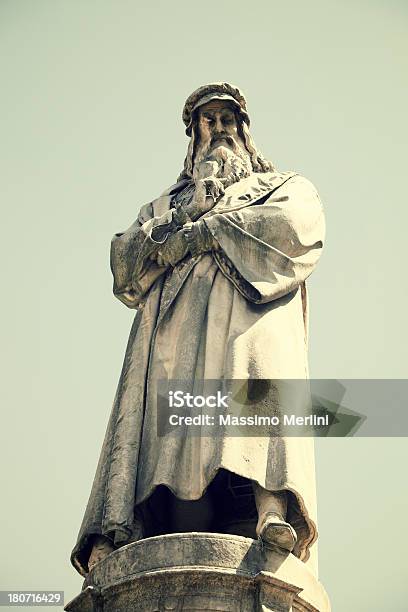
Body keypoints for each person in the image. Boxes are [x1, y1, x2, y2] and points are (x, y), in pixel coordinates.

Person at [70, 82, 325, 577]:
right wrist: (188, 215)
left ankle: (271, 510)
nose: (220, 129)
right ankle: (165, 525)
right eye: (208, 121)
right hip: (173, 334)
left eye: (228, 119)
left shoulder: (283, 185)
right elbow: (125, 266)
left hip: (252, 318)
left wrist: (204, 232)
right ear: (193, 137)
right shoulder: (164, 206)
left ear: (245, 130)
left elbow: (298, 226)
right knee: (175, 437)